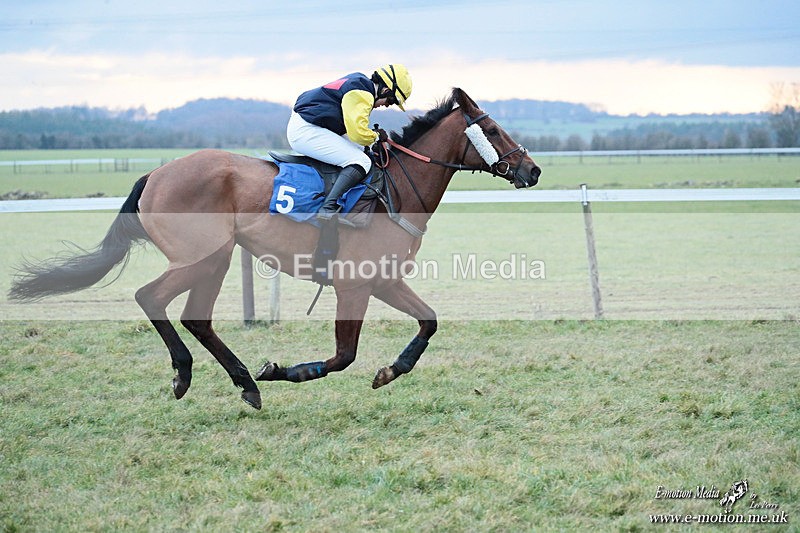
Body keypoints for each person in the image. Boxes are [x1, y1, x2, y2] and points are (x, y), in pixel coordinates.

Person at [287, 64, 412, 222]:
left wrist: (370, 144)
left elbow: (354, 133)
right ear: (385, 90)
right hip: (307, 129)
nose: (385, 106)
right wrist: (375, 137)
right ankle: (328, 207)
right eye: (390, 101)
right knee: (361, 161)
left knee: (363, 152)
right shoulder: (363, 93)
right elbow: (357, 132)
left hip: (315, 124)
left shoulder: (360, 82)